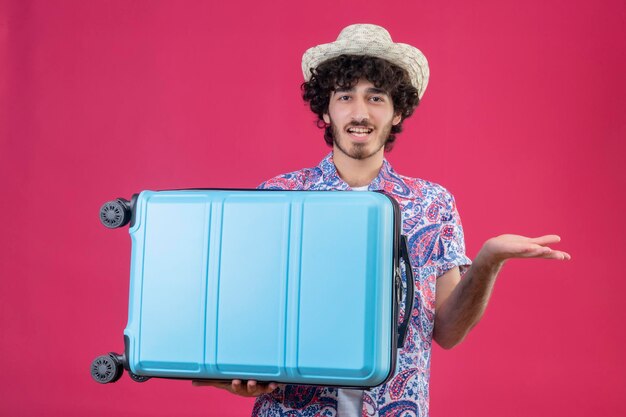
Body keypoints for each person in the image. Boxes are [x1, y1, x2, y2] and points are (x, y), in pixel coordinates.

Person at [193, 24, 570, 417]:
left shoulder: (432, 204)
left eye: (376, 97)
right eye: (345, 96)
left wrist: (489, 260)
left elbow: (448, 332)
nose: (360, 113)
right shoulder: (278, 196)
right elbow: (247, 315)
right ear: (326, 108)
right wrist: (239, 373)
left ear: (397, 111)